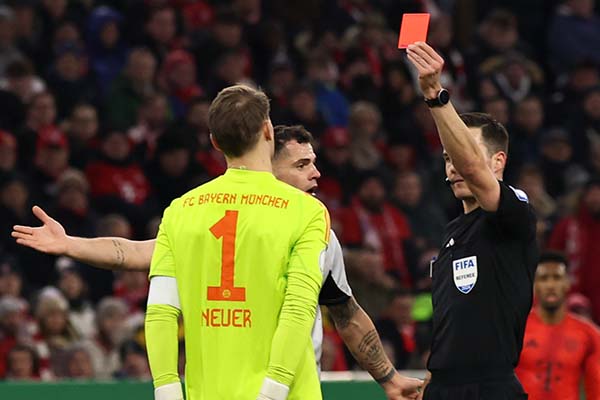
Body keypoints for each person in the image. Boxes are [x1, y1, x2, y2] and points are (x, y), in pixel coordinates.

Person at [12, 124, 423, 400]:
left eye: (314, 163)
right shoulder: (210, 220)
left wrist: (388, 378)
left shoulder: (318, 233)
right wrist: (71, 245)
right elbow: (136, 252)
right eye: (302, 165)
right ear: (266, 167)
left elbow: (345, 312)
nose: (316, 173)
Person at [406, 42, 538, 400]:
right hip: (443, 387)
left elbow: (474, 171)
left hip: (490, 388)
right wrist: (434, 376)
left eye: (462, 155)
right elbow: (454, 319)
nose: (454, 166)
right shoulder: (451, 232)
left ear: (498, 161)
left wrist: (435, 94)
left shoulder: (514, 213)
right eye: (448, 158)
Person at [516, 251, 600, 400]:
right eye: (544, 278)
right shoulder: (516, 328)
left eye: (557, 277)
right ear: (534, 285)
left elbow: (596, 388)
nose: (551, 285)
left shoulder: (589, 334)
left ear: (567, 283)